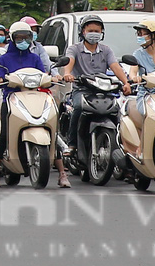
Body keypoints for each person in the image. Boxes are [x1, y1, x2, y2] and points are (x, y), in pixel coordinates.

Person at [56, 13, 132, 184]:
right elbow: (69, 62)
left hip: (103, 91)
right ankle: (72, 144)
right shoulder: (74, 49)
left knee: (118, 113)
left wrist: (125, 82)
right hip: (81, 90)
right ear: (82, 31)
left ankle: (122, 149)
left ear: (102, 32)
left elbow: (115, 66)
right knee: (77, 108)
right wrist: (67, 74)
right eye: (90, 30)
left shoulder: (106, 50)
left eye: (97, 30)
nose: (93, 33)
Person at [0, 17, 58, 188]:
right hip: (11, 99)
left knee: (54, 131)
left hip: (35, 97)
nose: (23, 41)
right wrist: (1, 79)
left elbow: (43, 74)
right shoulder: (3, 59)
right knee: (5, 134)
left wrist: (53, 77)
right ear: (12, 38)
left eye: (27, 38)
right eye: (19, 38)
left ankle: (62, 173)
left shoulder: (34, 57)